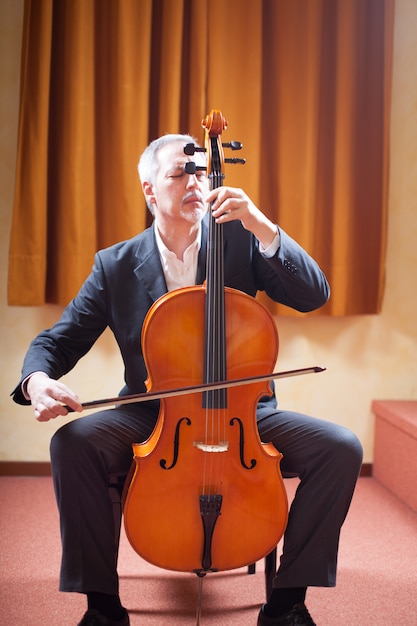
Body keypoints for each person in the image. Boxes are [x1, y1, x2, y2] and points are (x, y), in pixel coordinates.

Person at [12, 133, 363, 626]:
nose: (194, 182)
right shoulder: (115, 265)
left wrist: (260, 224)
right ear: (150, 190)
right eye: (180, 173)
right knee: (73, 442)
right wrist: (38, 380)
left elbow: (313, 294)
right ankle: (101, 605)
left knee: (341, 447)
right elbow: (59, 340)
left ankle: (287, 600)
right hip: (151, 413)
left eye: (199, 172)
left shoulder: (241, 242)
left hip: (245, 413)